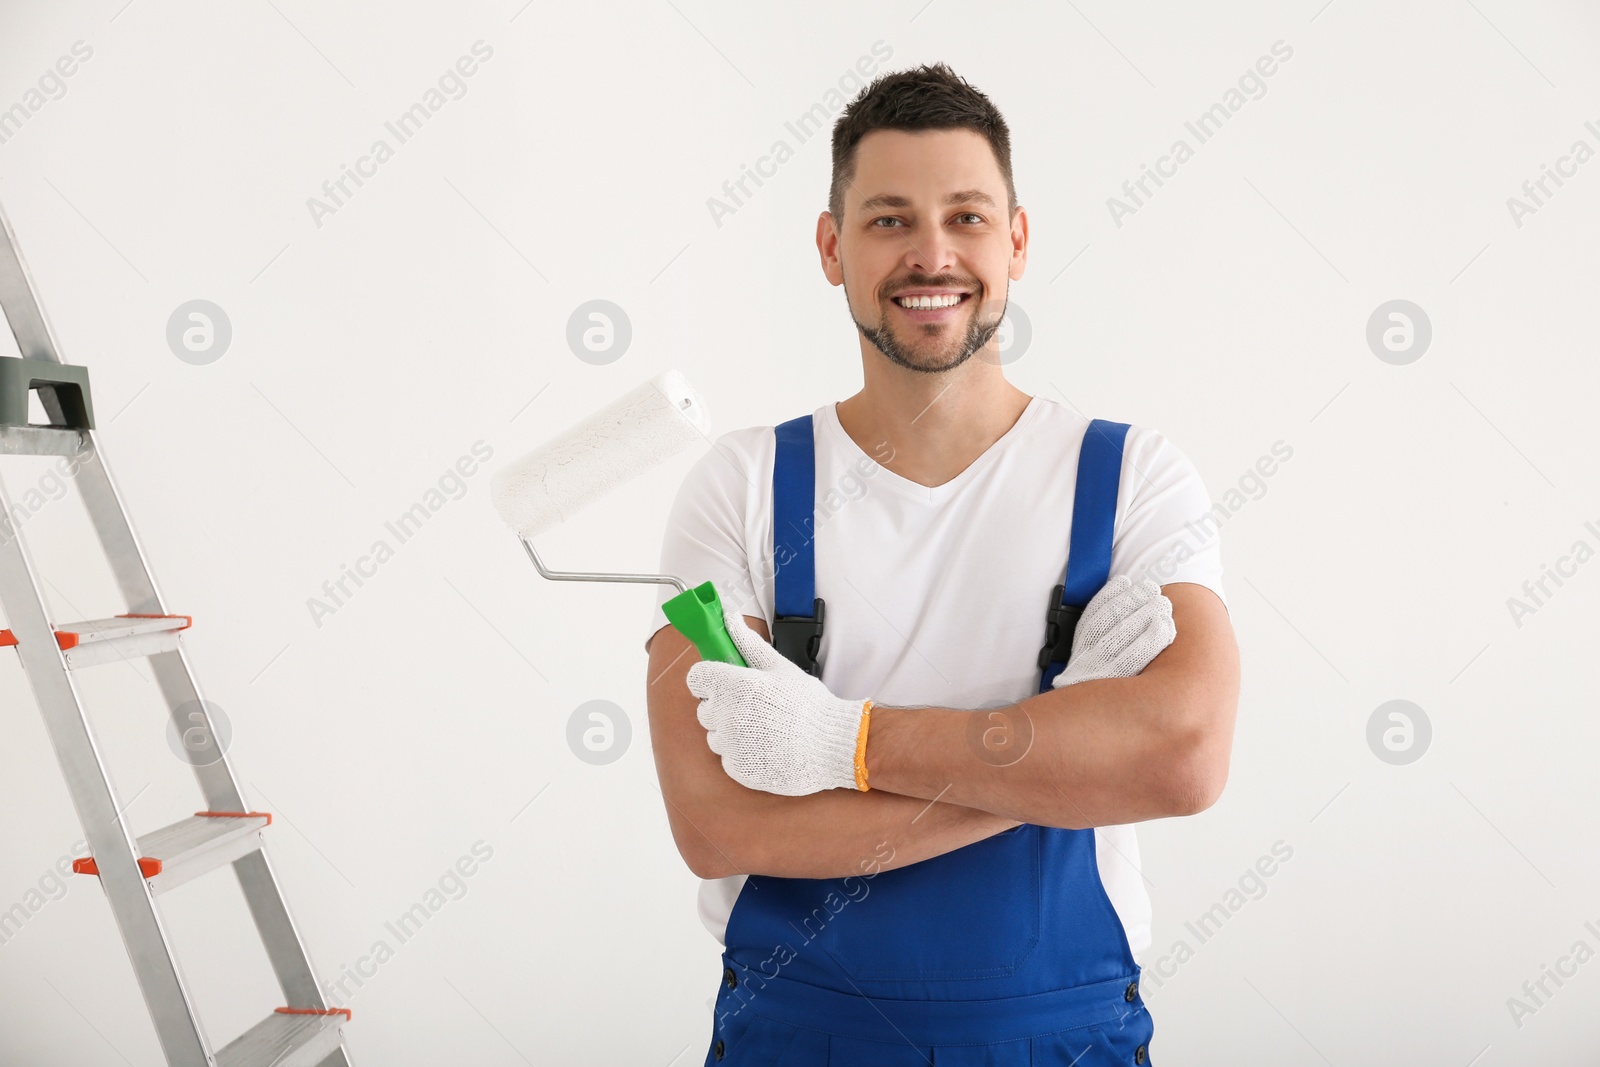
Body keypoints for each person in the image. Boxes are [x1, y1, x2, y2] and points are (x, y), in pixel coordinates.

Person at [644, 61, 1239, 1066]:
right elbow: (714, 821)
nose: (931, 253)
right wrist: (1060, 752)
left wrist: (842, 745)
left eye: (966, 217)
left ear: (1014, 239)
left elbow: (1182, 757)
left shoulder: (1134, 476)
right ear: (831, 248)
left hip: (1060, 1035)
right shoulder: (739, 485)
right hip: (798, 1036)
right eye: (887, 220)